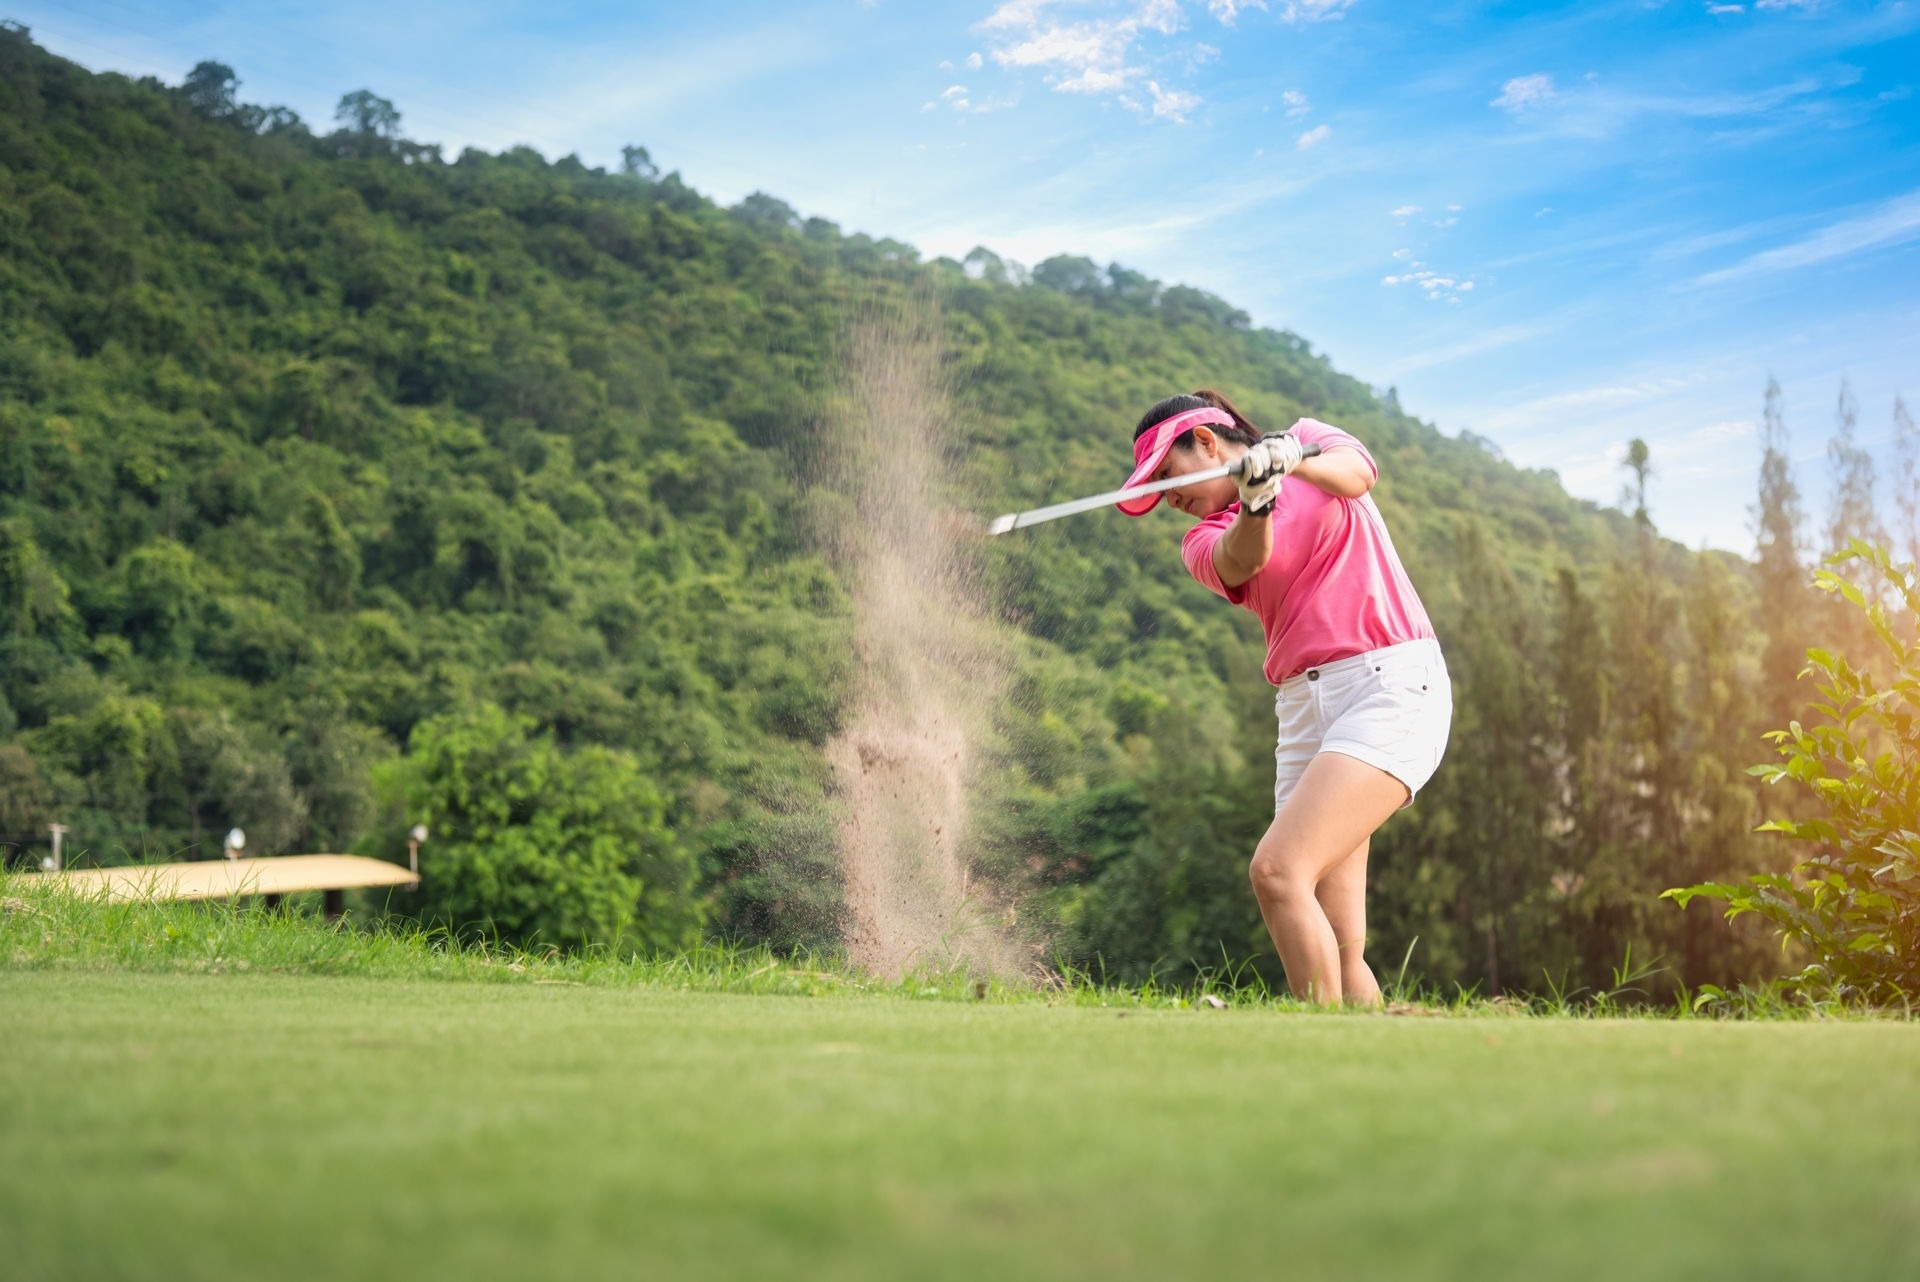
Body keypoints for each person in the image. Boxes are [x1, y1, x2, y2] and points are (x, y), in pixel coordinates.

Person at [1119, 390, 1451, 1005]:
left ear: (1209, 443)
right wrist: (1256, 500)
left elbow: (1358, 475)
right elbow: (1246, 557)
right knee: (1344, 938)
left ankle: (1317, 1057)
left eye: (1168, 474)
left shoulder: (1308, 437)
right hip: (1303, 708)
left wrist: (1290, 458)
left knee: (1277, 872)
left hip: (1390, 684)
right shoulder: (1203, 540)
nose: (1169, 498)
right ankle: (1373, 1081)